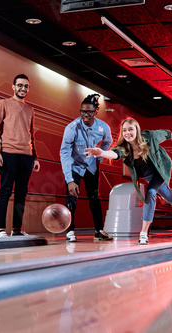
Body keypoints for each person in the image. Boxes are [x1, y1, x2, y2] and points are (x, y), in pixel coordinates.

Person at [85, 117, 172, 245]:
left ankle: (143, 233)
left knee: (151, 193)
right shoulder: (125, 147)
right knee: (169, 197)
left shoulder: (148, 137)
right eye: (124, 130)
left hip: (160, 169)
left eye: (130, 129)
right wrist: (102, 153)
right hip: (149, 174)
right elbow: (116, 154)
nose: (128, 133)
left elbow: (163, 133)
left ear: (137, 130)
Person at [0, 74, 40, 237]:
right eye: (20, 85)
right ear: (13, 86)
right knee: (5, 191)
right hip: (8, 154)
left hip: (26, 156)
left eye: (26, 86)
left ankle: (17, 229)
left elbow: (31, 135)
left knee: (21, 194)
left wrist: (35, 157)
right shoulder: (3, 104)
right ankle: (0, 229)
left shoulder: (30, 109)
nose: (23, 88)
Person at [60, 94, 113, 242]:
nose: (85, 115)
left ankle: (99, 230)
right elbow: (64, 152)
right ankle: (69, 232)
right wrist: (69, 179)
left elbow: (108, 141)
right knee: (72, 196)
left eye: (89, 112)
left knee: (94, 197)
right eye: (83, 111)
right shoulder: (72, 127)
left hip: (91, 165)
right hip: (74, 165)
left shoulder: (103, 127)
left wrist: (99, 157)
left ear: (96, 111)